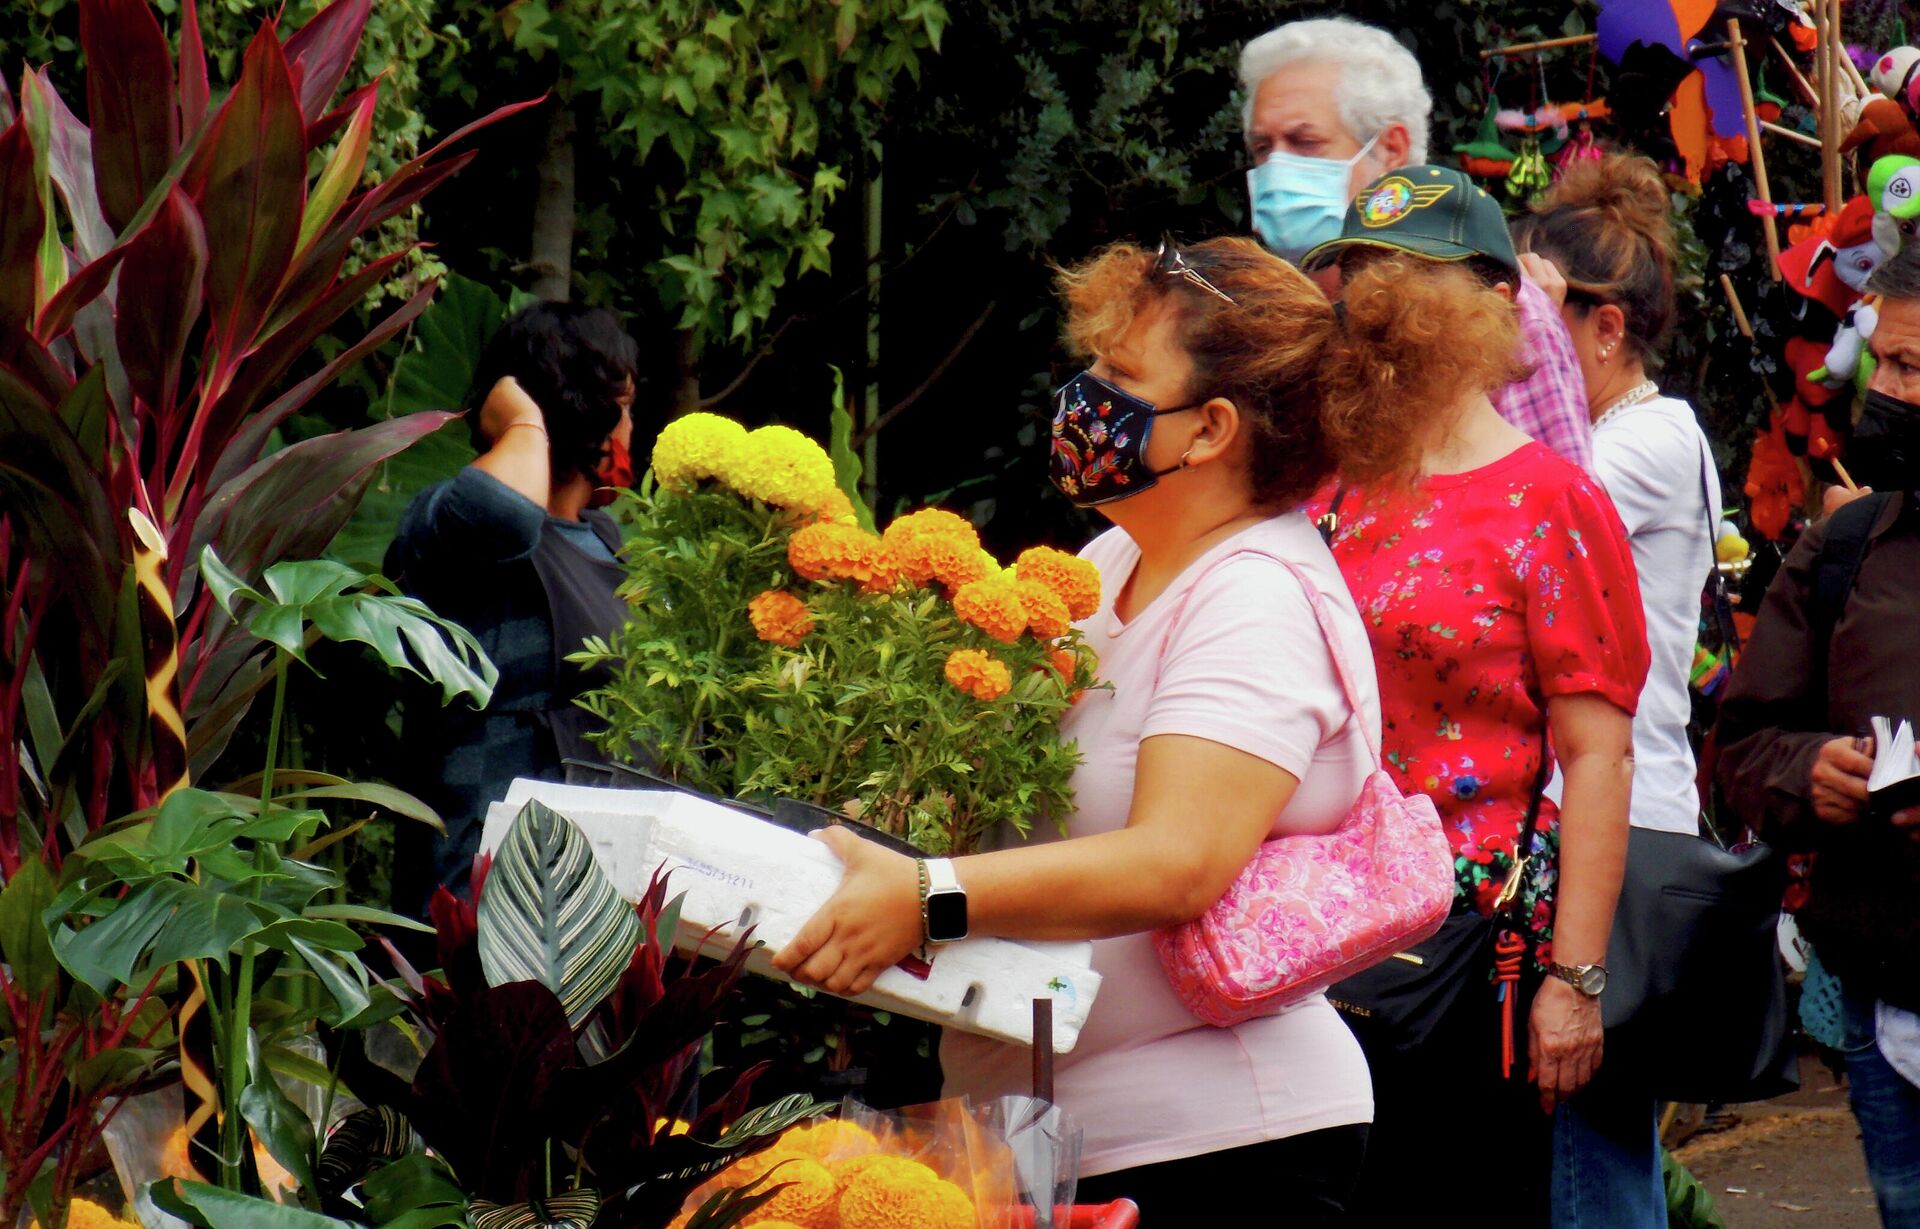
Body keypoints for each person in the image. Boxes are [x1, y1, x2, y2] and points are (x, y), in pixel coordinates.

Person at [771, 235, 1512, 1225]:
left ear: (1209, 428)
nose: (1084, 394)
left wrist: (928, 899)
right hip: (1062, 1139)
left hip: (1220, 1149)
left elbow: (1178, 860)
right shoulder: (1119, 560)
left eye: (1120, 375)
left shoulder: (1255, 593)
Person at [1300, 165, 1649, 1225]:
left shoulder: (1549, 501)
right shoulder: (1321, 484)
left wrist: (1575, 982)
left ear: (1496, 305)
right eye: (1356, 272)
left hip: (1461, 963)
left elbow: (1600, 755)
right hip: (1300, 945)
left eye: (1405, 275)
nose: (1374, 301)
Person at [1513, 152, 1716, 1229]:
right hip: (1573, 817)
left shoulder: (1650, 439)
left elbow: (1530, 506)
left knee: (1592, 1154)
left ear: (1605, 330)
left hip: (1619, 826)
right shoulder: (1607, 433)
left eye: (1538, 319)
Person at [1715, 243, 1920, 1229]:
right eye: (1889, 364)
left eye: (1919, 372)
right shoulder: (1844, 547)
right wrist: (1814, 774)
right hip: (1890, 1009)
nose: (1890, 394)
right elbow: (1744, 742)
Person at [1239, 16, 1596, 472]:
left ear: (1391, 148)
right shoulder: (1258, 316)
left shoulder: (1497, 315)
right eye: (1263, 148)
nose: (1277, 169)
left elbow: (1559, 517)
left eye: (1305, 142)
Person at [385, 302, 641, 913]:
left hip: (601, 898)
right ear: (589, 412)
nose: (632, 428)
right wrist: (524, 423)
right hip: (484, 896)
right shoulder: (448, 522)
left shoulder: (612, 541)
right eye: (624, 405)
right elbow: (503, 515)